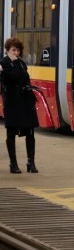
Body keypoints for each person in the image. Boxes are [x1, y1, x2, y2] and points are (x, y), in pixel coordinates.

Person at [0, 38, 39, 174]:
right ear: (7, 50)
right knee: (11, 133)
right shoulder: (4, 63)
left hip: (25, 101)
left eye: (18, 50)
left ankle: (31, 162)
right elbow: (13, 77)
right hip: (12, 102)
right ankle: (13, 163)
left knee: (30, 132)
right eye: (13, 50)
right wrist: (14, 63)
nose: (16, 52)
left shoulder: (22, 63)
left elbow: (24, 78)